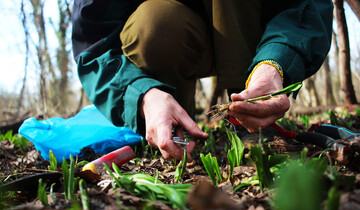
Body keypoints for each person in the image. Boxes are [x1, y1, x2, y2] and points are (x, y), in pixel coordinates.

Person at [72, 0, 333, 161]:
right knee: (155, 22)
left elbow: (305, 6)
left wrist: (274, 63)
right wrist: (143, 95)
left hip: (253, 31)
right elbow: (94, 43)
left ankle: (250, 119)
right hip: (171, 35)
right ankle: (175, 130)